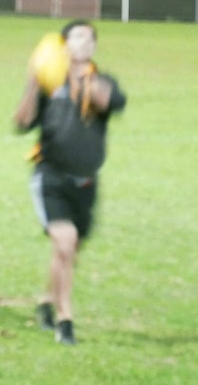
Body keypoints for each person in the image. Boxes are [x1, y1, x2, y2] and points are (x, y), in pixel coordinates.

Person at [14, 20, 126, 345]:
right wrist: (33, 83)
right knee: (64, 242)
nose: (85, 42)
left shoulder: (102, 82)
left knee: (69, 252)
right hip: (50, 177)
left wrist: (83, 82)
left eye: (90, 39)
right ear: (64, 46)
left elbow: (110, 101)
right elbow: (21, 121)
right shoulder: (50, 86)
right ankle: (66, 322)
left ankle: (46, 303)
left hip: (86, 183)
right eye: (77, 37)